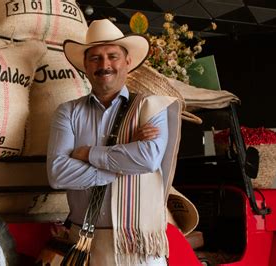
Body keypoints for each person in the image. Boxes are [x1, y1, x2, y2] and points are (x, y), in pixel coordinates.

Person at [46, 19, 188, 265]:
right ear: (85, 67)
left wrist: (89, 153)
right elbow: (58, 174)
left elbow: (148, 159)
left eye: (113, 56)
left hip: (140, 248)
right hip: (86, 245)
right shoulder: (67, 112)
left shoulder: (151, 107)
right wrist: (122, 166)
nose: (105, 65)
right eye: (95, 58)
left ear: (127, 62)